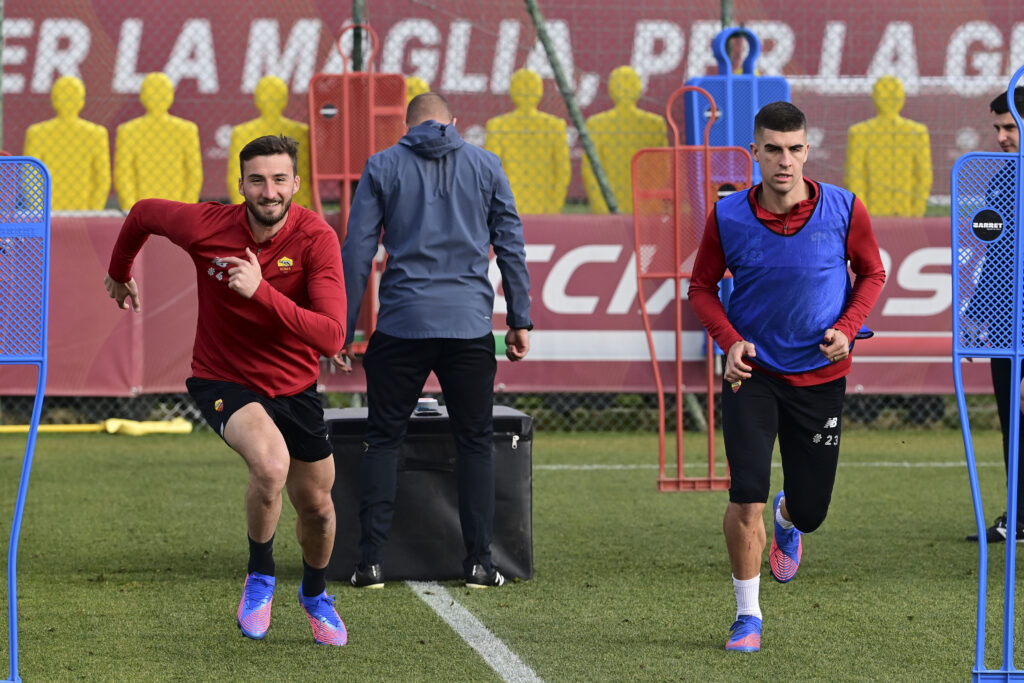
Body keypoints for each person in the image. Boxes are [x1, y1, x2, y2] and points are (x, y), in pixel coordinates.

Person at [103, 135, 349, 646]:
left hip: (296, 386)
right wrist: (118, 273)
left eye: (280, 179)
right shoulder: (208, 226)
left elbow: (331, 335)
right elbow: (145, 212)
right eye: (257, 179)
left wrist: (260, 293)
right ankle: (260, 577)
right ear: (241, 185)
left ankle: (314, 593)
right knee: (271, 465)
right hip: (224, 377)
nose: (269, 190)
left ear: (295, 185)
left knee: (320, 509)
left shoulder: (316, 238)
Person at [688, 102, 886, 653]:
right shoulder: (727, 216)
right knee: (744, 494)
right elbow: (700, 289)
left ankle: (789, 518)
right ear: (754, 151)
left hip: (821, 377)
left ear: (807, 150)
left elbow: (872, 272)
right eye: (772, 149)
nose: (785, 160)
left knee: (812, 509)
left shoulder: (844, 208)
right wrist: (730, 343)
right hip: (752, 376)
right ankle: (746, 617)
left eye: (795, 149)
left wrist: (848, 326)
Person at [337, 92, 532, 589]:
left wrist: (340, 325)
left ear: (406, 125)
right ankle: (480, 563)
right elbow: (510, 242)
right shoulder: (486, 165)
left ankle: (370, 564)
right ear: (454, 123)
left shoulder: (382, 166)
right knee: (474, 445)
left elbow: (357, 249)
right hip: (468, 325)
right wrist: (520, 319)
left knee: (382, 440)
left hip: (402, 322)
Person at [965, 86, 1024, 544]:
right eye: (998, 128)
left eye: (1010, 127)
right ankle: (1020, 514)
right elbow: (1000, 255)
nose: (1002, 137)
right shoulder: (1004, 177)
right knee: (1013, 423)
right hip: (1006, 328)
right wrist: (979, 316)